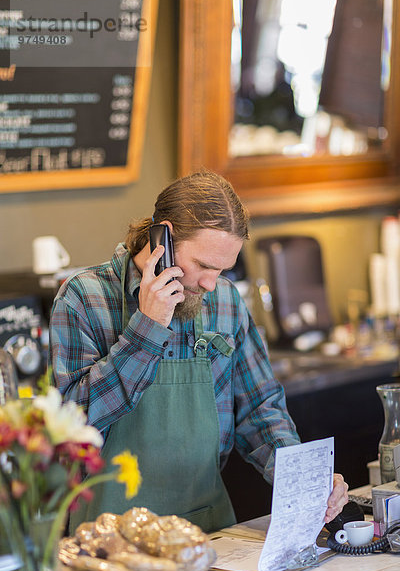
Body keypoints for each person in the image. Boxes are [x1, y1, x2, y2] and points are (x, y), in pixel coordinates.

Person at [49, 170, 348, 533]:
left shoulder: (224, 300)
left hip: (205, 532)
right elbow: (71, 426)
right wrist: (147, 328)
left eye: (222, 269)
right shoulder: (84, 297)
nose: (210, 283)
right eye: (204, 266)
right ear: (165, 238)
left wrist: (305, 479)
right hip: (108, 540)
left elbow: (260, 410)